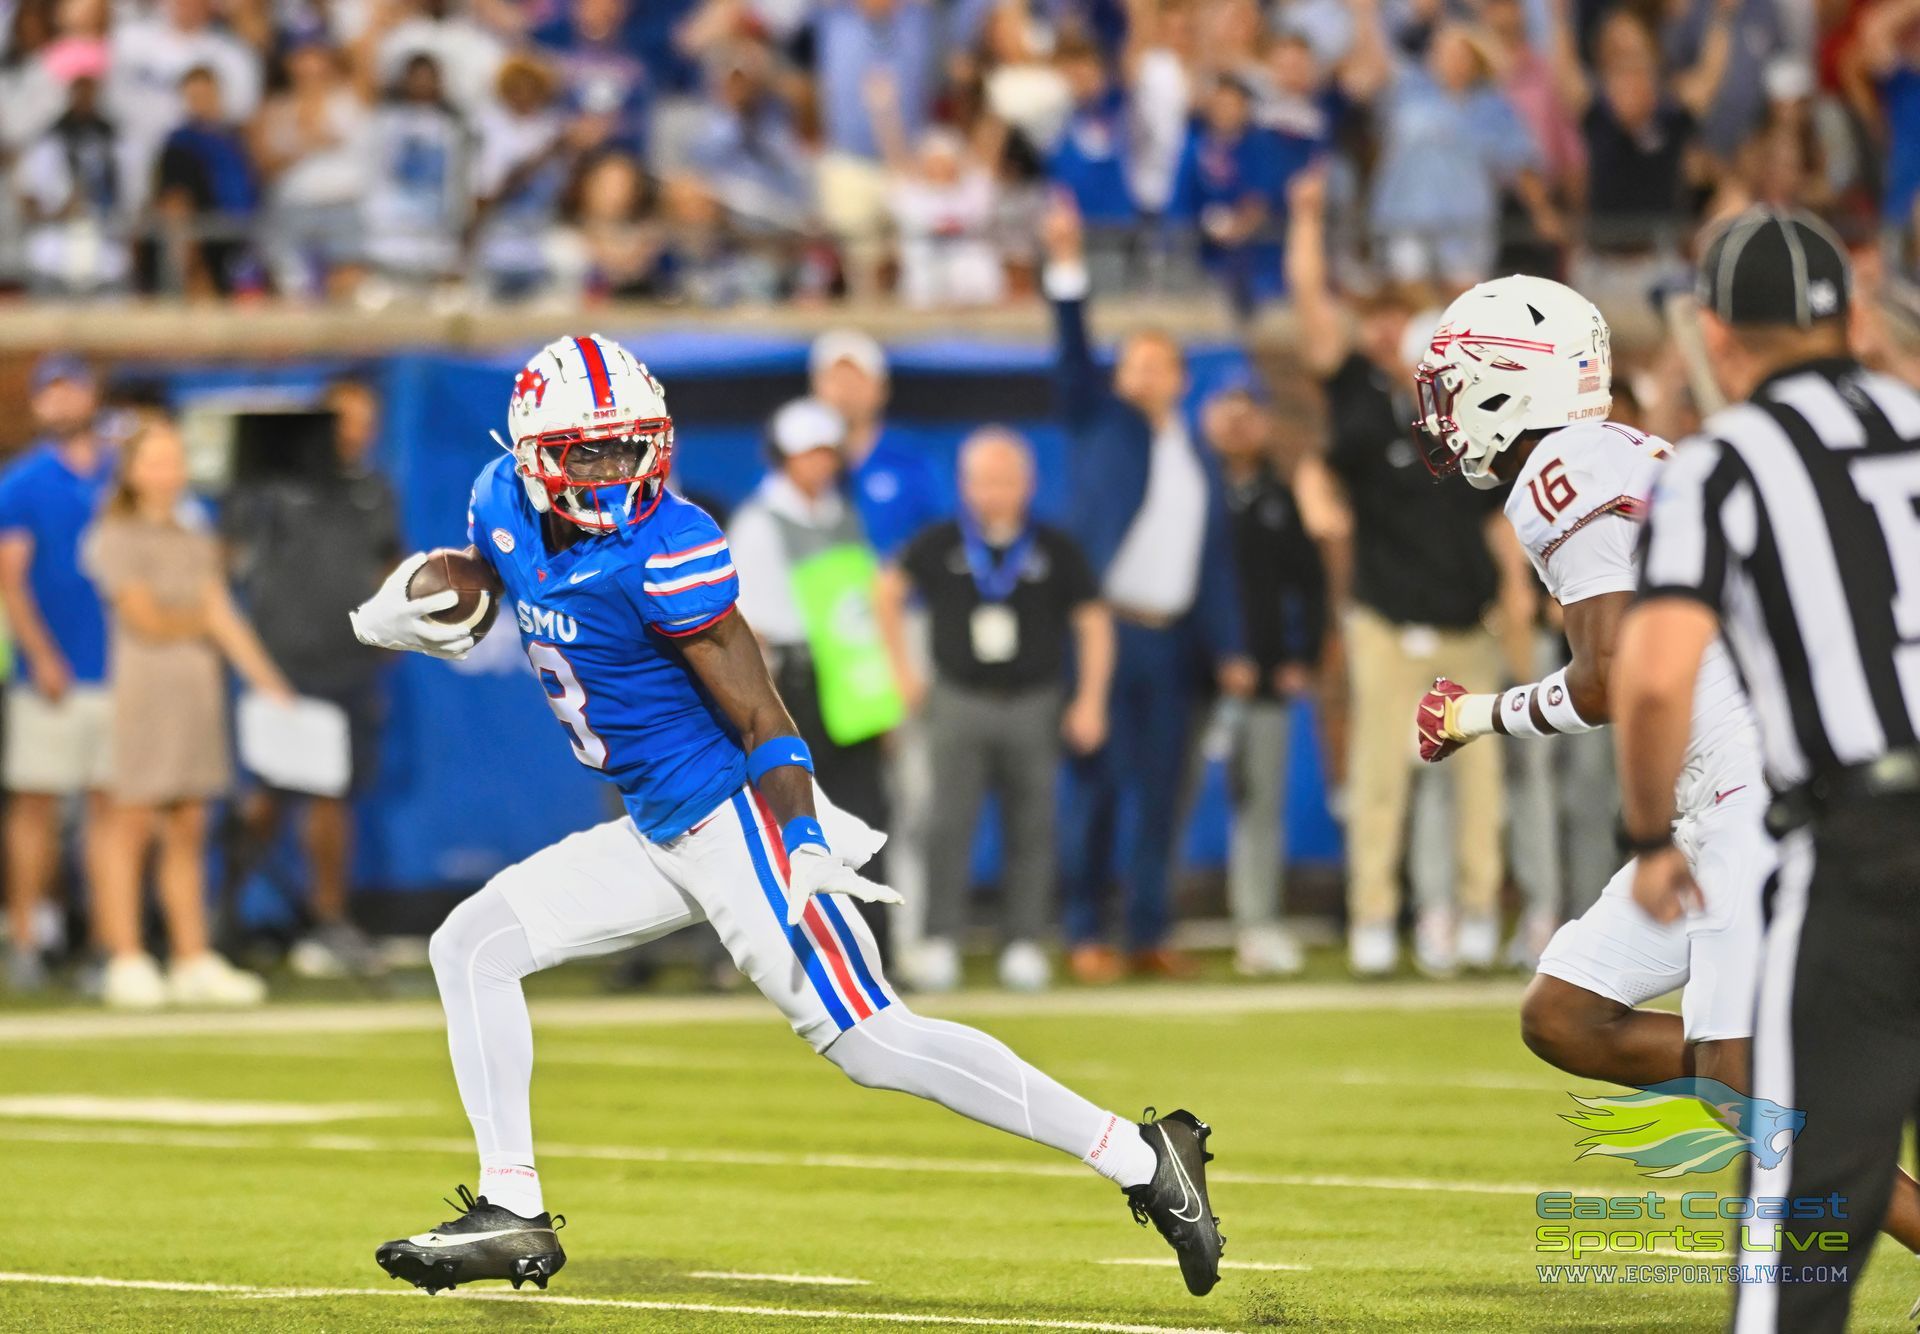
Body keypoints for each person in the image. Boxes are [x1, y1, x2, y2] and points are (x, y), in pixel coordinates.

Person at [350, 334, 1225, 1297]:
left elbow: (762, 711)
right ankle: (512, 1209)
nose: (610, 471)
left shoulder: (672, 543)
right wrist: (415, 603)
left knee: (875, 1042)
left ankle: (1145, 1159)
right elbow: (483, 576)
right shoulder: (499, 501)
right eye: (587, 452)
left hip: (737, 824)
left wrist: (802, 837)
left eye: (626, 446)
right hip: (654, 826)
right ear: (532, 455)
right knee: (469, 946)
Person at [1411, 256, 1920, 1296]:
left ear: (1518, 380)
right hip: (1718, 794)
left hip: (1750, 788)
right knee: (1565, 1013)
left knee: (1742, 1083)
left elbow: (1606, 681)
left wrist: (1476, 713)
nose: (1449, 404)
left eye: (1463, 379)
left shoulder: (1569, 474)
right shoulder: (1607, 456)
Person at [1617, 208, 1920, 1329]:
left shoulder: (1725, 462)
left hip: (1858, 844)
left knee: (1802, 1220)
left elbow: (1652, 677)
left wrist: (1652, 838)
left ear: (1716, 329)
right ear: (1850, 311)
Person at [1283, 165, 1528, 976]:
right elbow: (1314, 319)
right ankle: (1374, 917)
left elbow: (1498, 525)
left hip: (1467, 622)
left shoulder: (1473, 414)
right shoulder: (1356, 394)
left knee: (1479, 787)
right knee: (1381, 776)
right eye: (1383, 321)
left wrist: (1518, 610)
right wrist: (1308, 220)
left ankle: (1470, 913)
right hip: (1387, 617)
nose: (1393, 337)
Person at [1040, 196, 1253, 983]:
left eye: (1153, 363)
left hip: (1172, 641)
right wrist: (1066, 265)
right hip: (1107, 631)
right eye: (1129, 363)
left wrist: (1230, 647)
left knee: (1164, 795)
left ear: (1179, 377)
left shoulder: (1195, 454)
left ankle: (1150, 930)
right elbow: (1069, 358)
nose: (1139, 375)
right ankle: (1087, 930)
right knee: (1096, 787)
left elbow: (1215, 561)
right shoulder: (1105, 424)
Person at [877, 428, 1113, 993]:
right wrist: (902, 671)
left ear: (1028, 484)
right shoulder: (939, 541)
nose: (995, 492)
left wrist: (1091, 699)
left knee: (1032, 823)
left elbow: (1094, 621)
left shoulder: (1055, 548)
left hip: (1034, 702)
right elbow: (884, 591)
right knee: (946, 825)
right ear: (965, 485)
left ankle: (1024, 940)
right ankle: (940, 939)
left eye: (1006, 480)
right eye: (983, 480)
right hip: (958, 700)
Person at [85, 418, 286, 1009]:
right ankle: (124, 956)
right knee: (131, 823)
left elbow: (223, 616)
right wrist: (199, 624)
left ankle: (191, 955)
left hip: (196, 696)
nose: (168, 472)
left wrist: (270, 684)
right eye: (155, 460)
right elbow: (143, 619)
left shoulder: (196, 535)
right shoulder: (114, 535)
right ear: (130, 470)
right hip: (142, 695)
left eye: (175, 460)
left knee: (190, 826)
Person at [222, 377, 400, 979]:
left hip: (348, 664)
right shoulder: (271, 488)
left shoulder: (375, 491)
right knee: (270, 797)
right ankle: (222, 911)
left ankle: (329, 919)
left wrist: (400, 620)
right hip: (284, 668)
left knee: (333, 796)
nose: (354, 432)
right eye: (343, 419)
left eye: (364, 420)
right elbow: (226, 557)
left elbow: (389, 562)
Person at [727, 398, 902, 946]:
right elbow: (749, 623)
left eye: (827, 452)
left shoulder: (844, 517)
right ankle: (795, 944)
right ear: (783, 457)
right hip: (791, 684)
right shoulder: (757, 522)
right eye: (808, 453)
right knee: (791, 816)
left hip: (849, 683)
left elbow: (862, 610)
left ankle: (873, 945)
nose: (820, 464)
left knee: (864, 814)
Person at [0, 354, 113, 993]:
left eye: (74, 391)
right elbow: (10, 580)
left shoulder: (122, 475)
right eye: (53, 395)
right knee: (37, 804)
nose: (64, 405)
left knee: (112, 811)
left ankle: (106, 942)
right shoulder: (22, 483)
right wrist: (40, 656)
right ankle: (27, 937)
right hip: (56, 671)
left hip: (123, 668)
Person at [1203, 385, 1325, 978]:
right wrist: (1215, 655)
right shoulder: (1192, 492)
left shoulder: (1279, 496)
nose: (1237, 427)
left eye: (1248, 416)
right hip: (1197, 683)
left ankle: (1257, 923)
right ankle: (1139, 927)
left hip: (1268, 680)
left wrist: (1300, 654)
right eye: (1226, 415)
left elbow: (1310, 582)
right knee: (1172, 802)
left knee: (1261, 805)